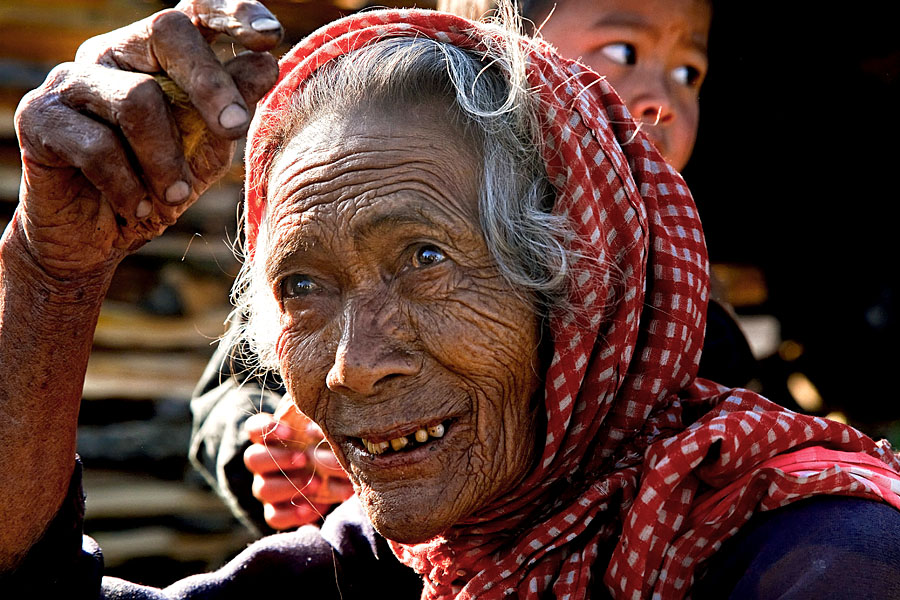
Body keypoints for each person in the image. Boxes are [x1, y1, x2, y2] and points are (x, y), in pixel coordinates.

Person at [4, 1, 900, 598]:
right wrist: (50, 275)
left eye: (425, 258)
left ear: (584, 287)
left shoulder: (824, 562)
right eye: (303, 286)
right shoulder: (407, 561)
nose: (352, 367)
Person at [190, 0, 759, 534]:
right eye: (624, 52)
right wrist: (275, 447)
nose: (660, 101)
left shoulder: (694, 332)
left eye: (688, 73)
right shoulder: (359, 220)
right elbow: (236, 392)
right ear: (492, 45)